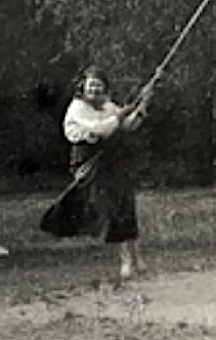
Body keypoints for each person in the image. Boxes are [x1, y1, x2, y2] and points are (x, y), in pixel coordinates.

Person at [40, 65, 153, 280]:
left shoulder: (107, 106)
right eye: (91, 86)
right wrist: (120, 115)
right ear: (83, 87)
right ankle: (126, 261)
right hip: (88, 162)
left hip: (110, 161)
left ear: (105, 89)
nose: (94, 91)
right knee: (110, 208)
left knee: (126, 204)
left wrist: (142, 105)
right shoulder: (77, 108)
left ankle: (137, 257)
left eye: (99, 87)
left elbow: (127, 126)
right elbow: (101, 129)